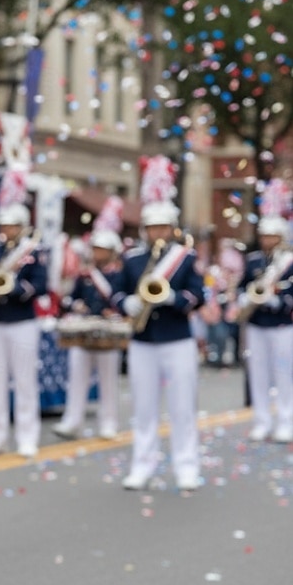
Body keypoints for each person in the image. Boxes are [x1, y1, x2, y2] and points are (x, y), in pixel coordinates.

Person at [112, 184, 204, 491]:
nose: (158, 233)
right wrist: (126, 303)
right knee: (143, 408)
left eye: (163, 227)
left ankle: (186, 466)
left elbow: (198, 295)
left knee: (182, 406)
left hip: (177, 339)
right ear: (144, 230)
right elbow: (117, 292)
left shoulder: (186, 258)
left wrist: (173, 298)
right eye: (153, 228)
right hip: (143, 341)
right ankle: (142, 465)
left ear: (172, 228)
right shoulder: (132, 259)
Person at [0, 180, 47, 458]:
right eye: (2, 225)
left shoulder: (33, 251)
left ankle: (27, 436)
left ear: (22, 226)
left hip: (22, 321)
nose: (5, 230)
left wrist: (15, 288)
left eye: (11, 226)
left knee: (25, 380)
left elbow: (40, 285)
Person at [53, 228, 124, 440]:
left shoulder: (119, 274)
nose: (98, 254)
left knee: (108, 380)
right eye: (96, 249)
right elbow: (70, 299)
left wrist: (115, 311)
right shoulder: (85, 275)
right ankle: (72, 420)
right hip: (84, 331)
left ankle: (109, 422)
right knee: (77, 377)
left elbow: (123, 299)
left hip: (108, 332)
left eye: (102, 250)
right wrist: (76, 305)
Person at [235, 213, 293, 443]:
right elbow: (242, 285)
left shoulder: (290, 262)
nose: (267, 240)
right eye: (264, 236)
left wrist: (278, 301)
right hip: (256, 323)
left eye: (272, 236)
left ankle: (286, 421)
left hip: (282, 324)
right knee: (258, 374)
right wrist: (242, 297)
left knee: (283, 374)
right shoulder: (253, 260)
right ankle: (262, 421)